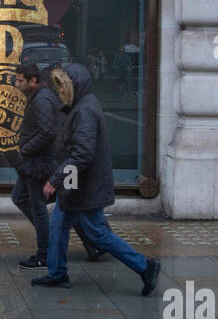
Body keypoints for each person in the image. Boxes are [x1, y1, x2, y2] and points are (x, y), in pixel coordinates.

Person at [31, 63, 160, 293]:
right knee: (59, 225)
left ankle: (144, 266)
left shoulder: (84, 111)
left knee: (97, 233)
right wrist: (65, 186)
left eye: (63, 87)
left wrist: (55, 180)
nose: (60, 92)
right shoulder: (80, 106)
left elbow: (82, 155)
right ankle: (57, 273)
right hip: (77, 185)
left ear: (75, 85)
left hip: (85, 187)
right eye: (58, 87)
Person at [14, 62, 103, 270]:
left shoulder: (43, 99)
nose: (17, 84)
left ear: (32, 81)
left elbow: (47, 132)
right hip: (33, 162)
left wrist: (25, 148)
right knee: (21, 198)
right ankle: (64, 240)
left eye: (20, 80)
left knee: (40, 207)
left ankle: (46, 251)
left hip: (39, 163)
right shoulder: (39, 96)